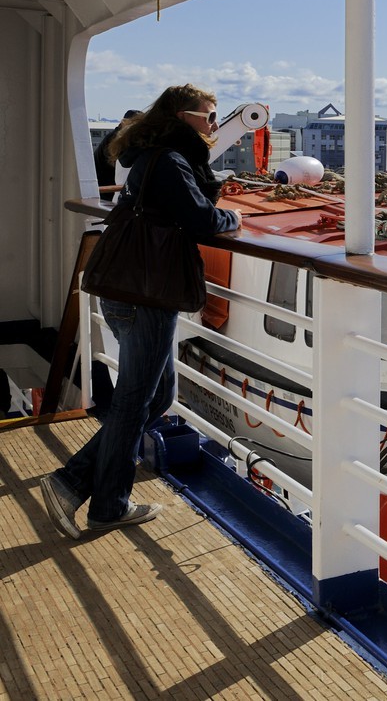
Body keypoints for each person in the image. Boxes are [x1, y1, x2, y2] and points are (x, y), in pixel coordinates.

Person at [42, 84, 240, 537]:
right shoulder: (169, 160)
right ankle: (88, 494)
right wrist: (236, 219)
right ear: (182, 116)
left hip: (132, 289)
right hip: (147, 294)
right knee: (136, 402)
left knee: (156, 398)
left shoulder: (155, 155)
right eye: (209, 116)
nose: (214, 125)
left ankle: (84, 487)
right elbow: (203, 219)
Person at [92, 109, 140, 189]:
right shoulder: (117, 139)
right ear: (124, 122)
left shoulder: (115, 136)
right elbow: (126, 163)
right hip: (106, 187)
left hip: (103, 184)